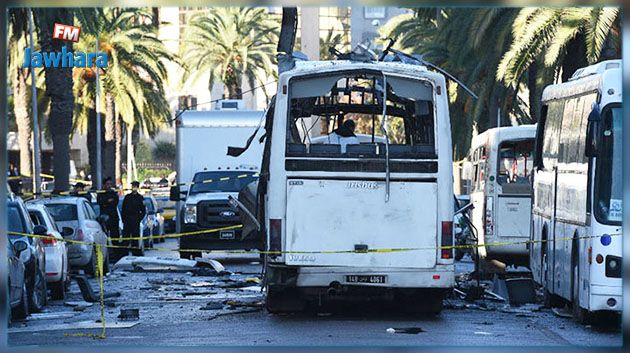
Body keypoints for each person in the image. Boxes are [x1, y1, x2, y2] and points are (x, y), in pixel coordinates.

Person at [121, 181, 146, 256]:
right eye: (133, 186)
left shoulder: (140, 198)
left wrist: (138, 219)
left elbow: (143, 211)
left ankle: (135, 255)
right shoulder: (127, 197)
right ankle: (124, 254)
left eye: (135, 186)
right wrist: (124, 220)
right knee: (126, 239)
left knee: (135, 240)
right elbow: (123, 209)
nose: (133, 188)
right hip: (127, 221)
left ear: (137, 187)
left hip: (135, 221)